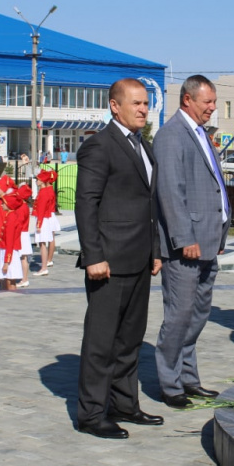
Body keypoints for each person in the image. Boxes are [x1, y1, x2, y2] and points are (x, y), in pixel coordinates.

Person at [75, 78, 163, 439]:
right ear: (115, 106)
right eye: (136, 103)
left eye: (145, 103)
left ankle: (125, 404)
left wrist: (155, 250)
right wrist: (93, 255)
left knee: (130, 338)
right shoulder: (99, 146)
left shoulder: (144, 146)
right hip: (108, 262)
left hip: (139, 259)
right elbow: (86, 203)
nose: (143, 109)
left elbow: (148, 204)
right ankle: (92, 414)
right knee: (102, 341)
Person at [153, 74, 230, 409]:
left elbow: (212, 186)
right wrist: (185, 237)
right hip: (186, 246)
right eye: (207, 102)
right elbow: (171, 191)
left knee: (198, 314)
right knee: (179, 315)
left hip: (208, 242)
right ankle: (170, 385)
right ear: (187, 99)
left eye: (214, 102)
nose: (212, 108)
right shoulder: (171, 135)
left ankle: (188, 378)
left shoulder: (199, 133)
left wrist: (219, 232)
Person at [33, 170, 59, 275]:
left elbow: (41, 209)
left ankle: (44, 266)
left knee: (43, 242)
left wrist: (39, 224)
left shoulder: (44, 192)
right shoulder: (46, 190)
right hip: (46, 217)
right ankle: (46, 263)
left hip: (44, 218)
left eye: (38, 179)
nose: (37, 181)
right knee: (45, 241)